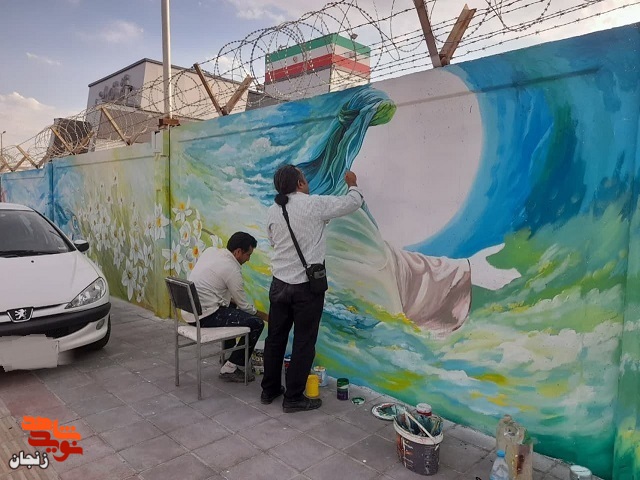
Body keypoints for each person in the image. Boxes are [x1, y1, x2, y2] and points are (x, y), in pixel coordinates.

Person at [261, 165, 364, 412]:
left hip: (279, 284)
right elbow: (353, 203)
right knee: (304, 342)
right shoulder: (314, 204)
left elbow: (273, 241)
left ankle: (269, 390)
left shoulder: (273, 210)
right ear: (299, 184)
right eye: (305, 179)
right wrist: (352, 183)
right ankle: (293, 398)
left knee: (275, 338)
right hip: (306, 289)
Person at [182, 231, 268, 382]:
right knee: (256, 323)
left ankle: (228, 356)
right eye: (248, 255)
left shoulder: (211, 251)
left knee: (231, 306)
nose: (248, 259)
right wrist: (266, 316)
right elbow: (244, 306)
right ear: (238, 252)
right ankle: (230, 368)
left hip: (189, 311)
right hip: (203, 316)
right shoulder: (232, 269)